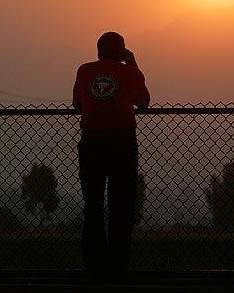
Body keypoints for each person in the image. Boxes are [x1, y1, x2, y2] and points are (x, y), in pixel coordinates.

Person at [72, 31, 150, 283]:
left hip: (92, 141)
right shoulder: (130, 72)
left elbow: (78, 105)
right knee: (121, 206)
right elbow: (144, 102)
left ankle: (94, 267)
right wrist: (133, 64)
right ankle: (118, 268)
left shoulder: (84, 71)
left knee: (92, 206)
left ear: (98, 50)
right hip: (122, 142)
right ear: (122, 51)